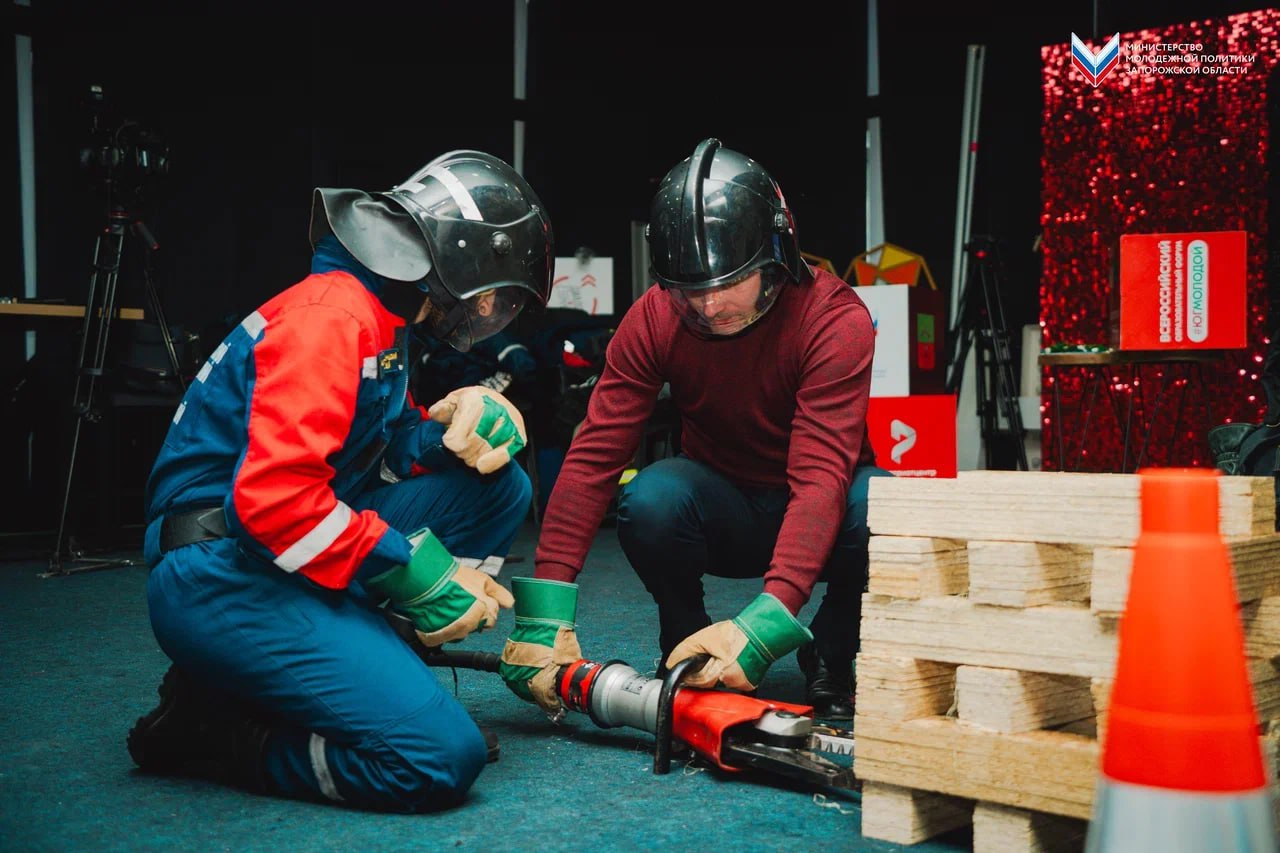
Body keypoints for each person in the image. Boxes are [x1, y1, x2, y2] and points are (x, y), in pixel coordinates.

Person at [127, 150, 553, 812]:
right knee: (437, 756)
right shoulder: (332, 318)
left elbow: (370, 461)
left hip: (265, 549)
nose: (491, 312)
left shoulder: (379, 317)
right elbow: (272, 504)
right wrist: (412, 569)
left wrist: (448, 430)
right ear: (456, 264)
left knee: (498, 486)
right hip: (219, 571)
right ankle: (213, 730)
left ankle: (371, 666)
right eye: (493, 296)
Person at [498, 138, 888, 721]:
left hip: (821, 508)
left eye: (725, 284)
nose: (706, 307)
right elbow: (593, 457)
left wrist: (767, 622)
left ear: (774, 257)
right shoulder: (654, 316)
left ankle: (832, 649)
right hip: (723, 502)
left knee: (880, 506)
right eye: (690, 291)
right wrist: (544, 609)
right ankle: (684, 637)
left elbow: (820, 477)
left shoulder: (835, 320)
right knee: (651, 496)